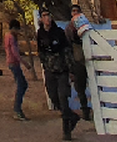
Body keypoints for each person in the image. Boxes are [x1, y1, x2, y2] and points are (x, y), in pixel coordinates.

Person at [37, 10, 79, 140]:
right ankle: (72, 116)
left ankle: (66, 129)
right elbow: (40, 51)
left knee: (62, 98)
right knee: (53, 97)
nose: (47, 18)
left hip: (61, 69)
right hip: (49, 69)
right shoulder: (40, 33)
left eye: (48, 15)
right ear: (41, 19)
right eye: (44, 16)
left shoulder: (59, 32)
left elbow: (67, 51)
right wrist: (44, 65)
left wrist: (71, 70)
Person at [67, 3, 93, 122]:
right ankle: (85, 110)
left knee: (94, 84)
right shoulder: (69, 29)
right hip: (77, 60)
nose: (75, 13)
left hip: (89, 58)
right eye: (73, 11)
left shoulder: (86, 26)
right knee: (80, 88)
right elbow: (67, 47)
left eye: (77, 11)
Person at [5, 18, 30, 121]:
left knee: (22, 84)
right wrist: (25, 63)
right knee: (21, 85)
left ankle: (17, 108)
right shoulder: (11, 37)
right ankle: (17, 109)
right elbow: (15, 52)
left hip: (11, 62)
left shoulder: (7, 36)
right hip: (14, 63)